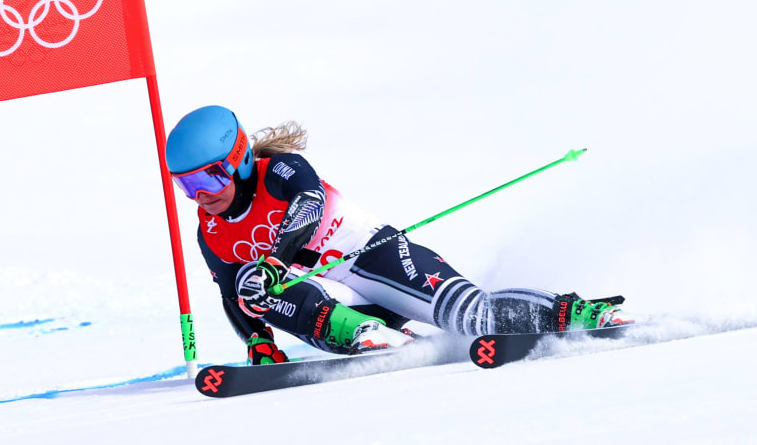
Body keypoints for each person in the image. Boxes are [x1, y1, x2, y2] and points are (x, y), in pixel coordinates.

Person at [166, 105, 633, 365]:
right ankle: (369, 333)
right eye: (185, 185)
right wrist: (257, 342)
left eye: (206, 179)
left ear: (240, 159)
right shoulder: (212, 232)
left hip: (370, 256)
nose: (198, 195)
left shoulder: (281, 171)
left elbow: (307, 209)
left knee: (470, 315)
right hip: (328, 294)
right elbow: (232, 295)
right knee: (251, 286)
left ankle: (575, 313)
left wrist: (273, 262)